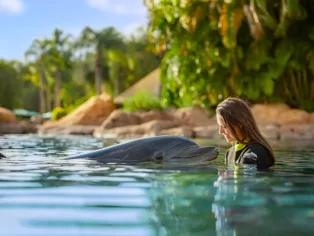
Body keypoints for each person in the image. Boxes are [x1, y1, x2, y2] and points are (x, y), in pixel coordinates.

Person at [216, 97, 275, 170]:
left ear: (239, 123)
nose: (220, 131)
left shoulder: (254, 153)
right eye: (219, 126)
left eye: (224, 126)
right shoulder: (230, 153)